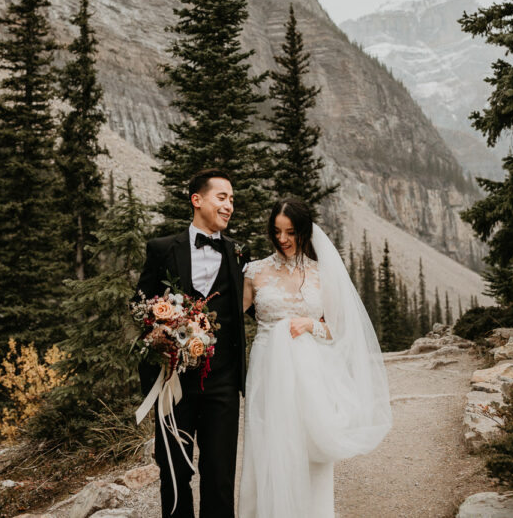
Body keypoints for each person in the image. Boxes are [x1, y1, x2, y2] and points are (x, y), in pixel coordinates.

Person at [239, 198, 393, 518]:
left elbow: (339, 330)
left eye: (290, 232)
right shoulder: (254, 272)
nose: (283, 239)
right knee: (269, 442)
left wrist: (311, 324)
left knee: (311, 443)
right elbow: (228, 320)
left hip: (310, 372)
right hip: (267, 370)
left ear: (305, 232)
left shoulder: (321, 273)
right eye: (277, 231)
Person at [131, 168, 250, 518]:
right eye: (222, 197)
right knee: (174, 472)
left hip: (223, 382)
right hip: (174, 384)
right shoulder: (162, 249)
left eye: (232, 200)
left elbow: (258, 303)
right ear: (197, 200)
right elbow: (140, 306)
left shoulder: (239, 253)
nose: (229, 206)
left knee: (219, 475)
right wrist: (161, 332)